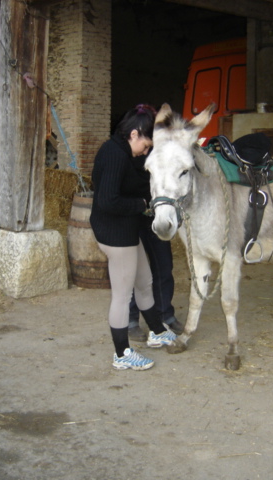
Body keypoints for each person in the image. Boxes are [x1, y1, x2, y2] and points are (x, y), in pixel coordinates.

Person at [90, 104, 177, 371]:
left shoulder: (123, 150)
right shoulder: (114, 154)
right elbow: (107, 201)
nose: (146, 151)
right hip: (115, 234)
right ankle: (122, 353)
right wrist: (142, 204)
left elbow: (132, 182)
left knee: (144, 281)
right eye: (146, 145)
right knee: (122, 294)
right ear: (135, 134)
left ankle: (156, 332)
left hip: (125, 230)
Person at [127, 153, 183, 341]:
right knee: (132, 272)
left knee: (164, 267)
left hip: (157, 217)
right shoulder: (125, 155)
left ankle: (165, 315)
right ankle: (131, 320)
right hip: (132, 219)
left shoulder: (161, 155)